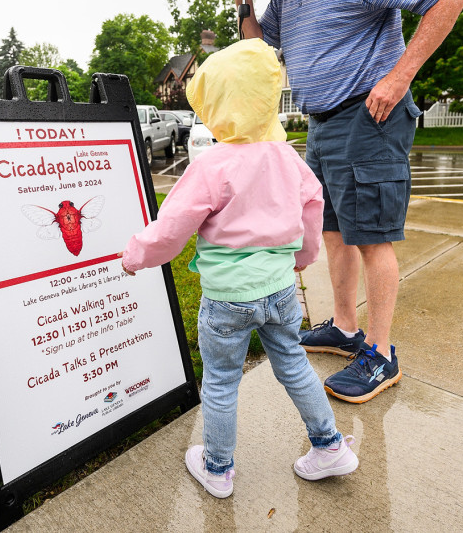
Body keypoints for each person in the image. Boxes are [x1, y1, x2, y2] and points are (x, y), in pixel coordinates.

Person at [228, 0, 463, 404]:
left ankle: (381, 354)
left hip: (369, 117)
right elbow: (260, 47)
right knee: (335, 232)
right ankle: (344, 327)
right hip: (320, 124)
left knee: (372, 236)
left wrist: (400, 75)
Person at [120, 39, 359, 499]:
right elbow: (313, 211)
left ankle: (217, 468)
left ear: (216, 105)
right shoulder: (289, 160)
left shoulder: (213, 166)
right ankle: (329, 446)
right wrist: (302, 260)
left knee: (222, 381)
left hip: (228, 300)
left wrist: (136, 256)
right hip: (280, 291)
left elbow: (171, 229)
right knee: (293, 363)